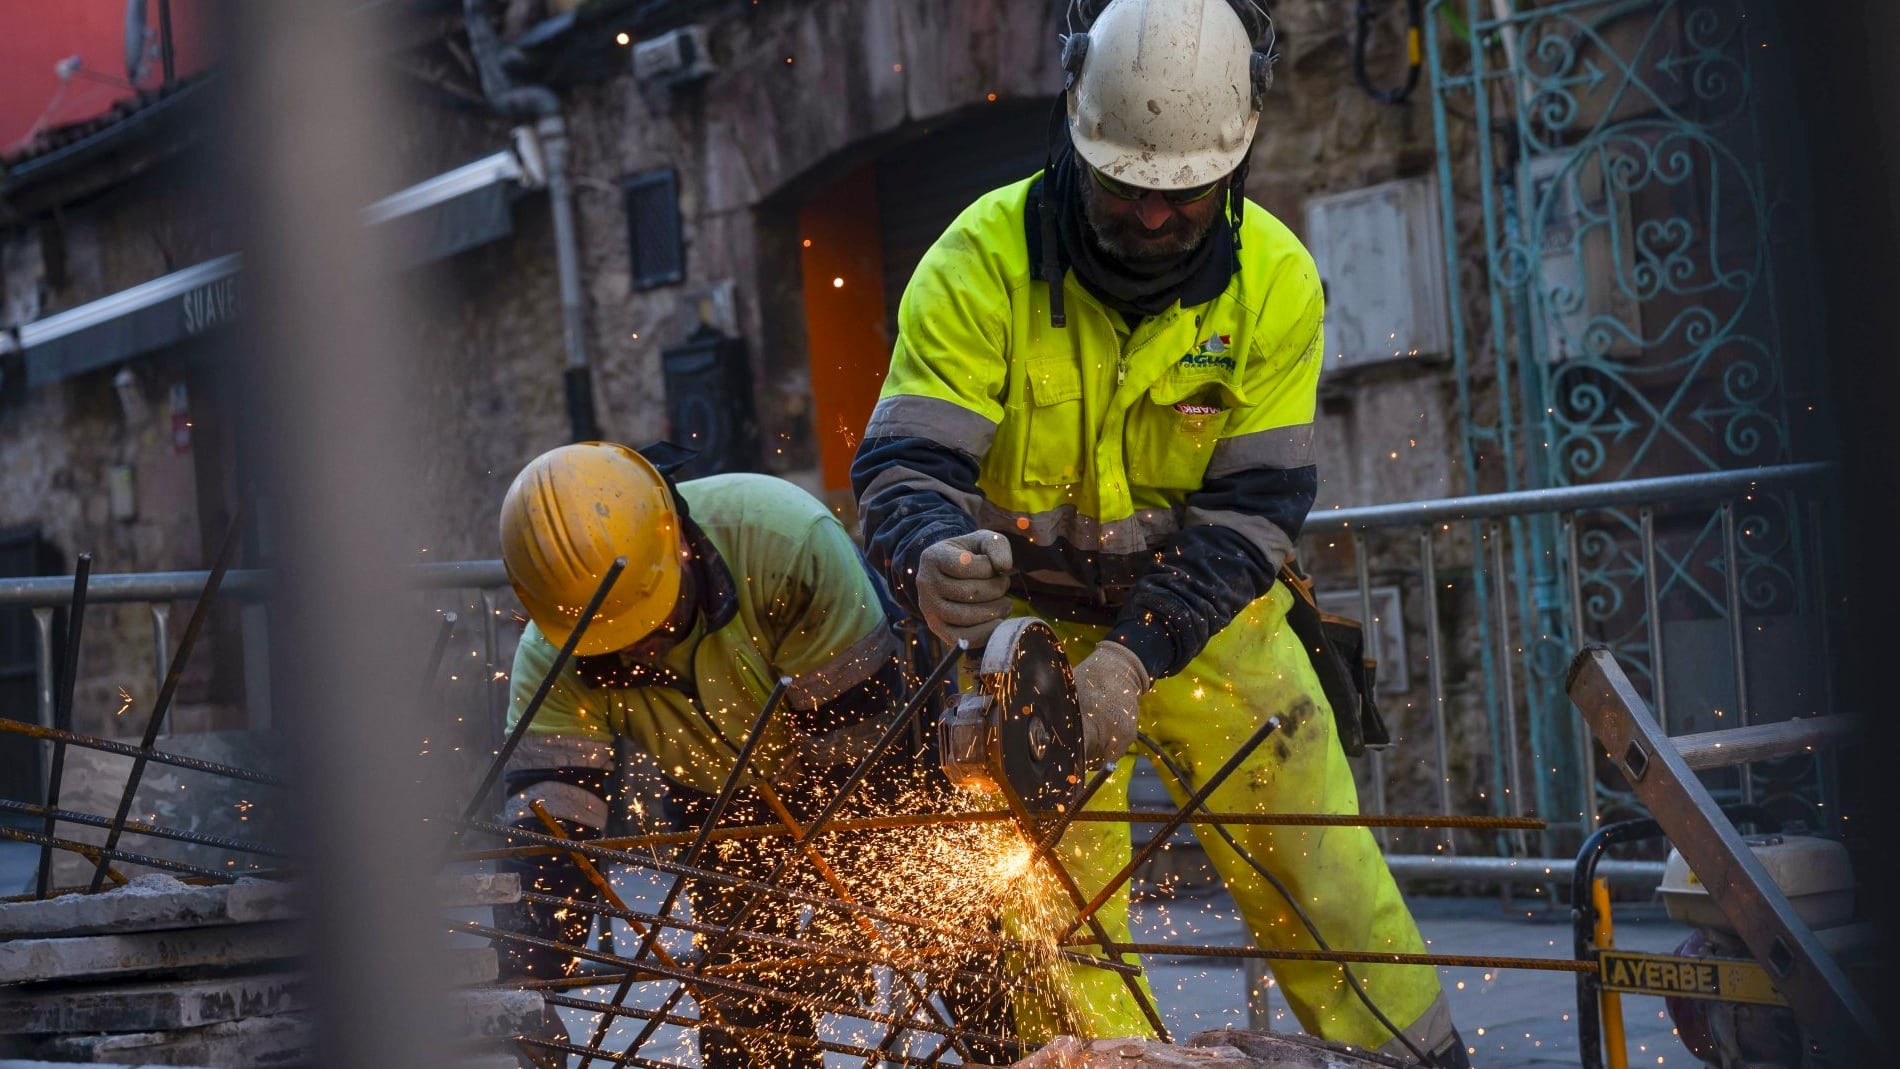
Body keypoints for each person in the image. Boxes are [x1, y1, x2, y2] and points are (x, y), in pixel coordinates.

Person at [849, 0, 1470, 1064]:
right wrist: (928, 555)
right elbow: (906, 465)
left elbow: (1252, 515)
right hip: (1035, 647)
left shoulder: (1274, 281)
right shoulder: (976, 261)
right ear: (1076, 135)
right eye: (1127, 188)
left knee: (1326, 889)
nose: (1150, 218)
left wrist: (1137, 655)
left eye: (1183, 196)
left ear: (1233, 160)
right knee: (1057, 928)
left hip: (1216, 626)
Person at [488, 440, 973, 1068]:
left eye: (652, 627)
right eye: (617, 644)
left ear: (681, 542)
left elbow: (860, 759)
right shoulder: (553, 651)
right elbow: (550, 836)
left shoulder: (784, 542)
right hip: (718, 797)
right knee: (745, 994)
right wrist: (531, 982)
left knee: (956, 939)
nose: (639, 655)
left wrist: (841, 929)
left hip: (862, 761)